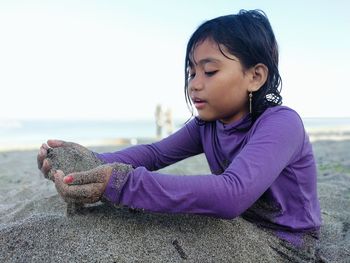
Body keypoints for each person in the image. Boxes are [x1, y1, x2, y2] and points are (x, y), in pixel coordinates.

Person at [37, 10, 321, 261]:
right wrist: (88, 162)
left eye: (209, 71)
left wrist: (124, 183)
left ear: (255, 77)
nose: (194, 84)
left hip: (289, 243)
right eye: (191, 72)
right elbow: (155, 154)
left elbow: (231, 194)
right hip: (241, 228)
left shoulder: (282, 124)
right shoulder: (207, 125)